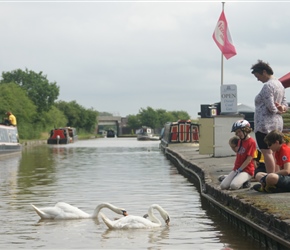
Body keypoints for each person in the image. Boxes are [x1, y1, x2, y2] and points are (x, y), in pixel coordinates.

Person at [251, 60, 288, 174]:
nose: (258, 79)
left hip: (264, 124)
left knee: (266, 152)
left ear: (264, 72)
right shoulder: (279, 84)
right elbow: (285, 103)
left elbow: (270, 106)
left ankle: (270, 176)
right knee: (274, 152)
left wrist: (278, 110)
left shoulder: (268, 86)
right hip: (277, 124)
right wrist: (282, 108)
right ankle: (275, 176)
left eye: (258, 76)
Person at [220, 120, 257, 190]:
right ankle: (229, 177)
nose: (238, 134)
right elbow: (239, 152)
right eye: (236, 133)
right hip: (236, 169)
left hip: (247, 170)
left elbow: (249, 159)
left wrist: (240, 169)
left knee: (234, 186)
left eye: (239, 131)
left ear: (246, 130)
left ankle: (245, 182)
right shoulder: (240, 141)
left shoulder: (251, 142)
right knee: (223, 186)